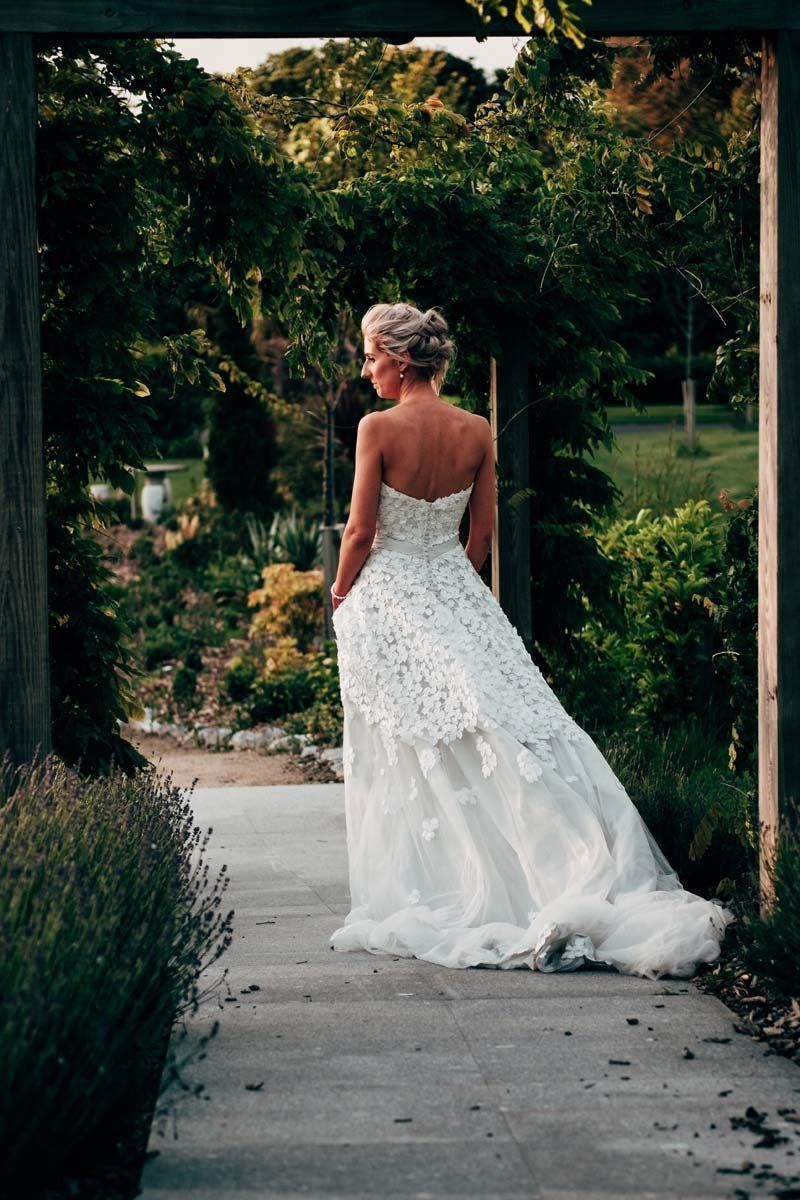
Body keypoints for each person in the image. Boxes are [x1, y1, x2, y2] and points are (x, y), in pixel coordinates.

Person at [328, 301, 733, 978]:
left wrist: (341, 594)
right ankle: (562, 860)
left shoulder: (377, 428)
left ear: (400, 360)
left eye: (370, 357)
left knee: (410, 744)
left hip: (389, 598)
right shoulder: (477, 430)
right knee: (510, 723)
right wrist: (460, 602)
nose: (365, 370)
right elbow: (481, 539)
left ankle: (439, 882)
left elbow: (361, 532)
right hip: (456, 589)